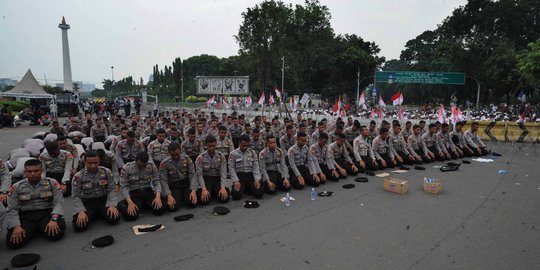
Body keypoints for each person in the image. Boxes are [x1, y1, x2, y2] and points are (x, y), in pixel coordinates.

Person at [5, 159, 65, 249]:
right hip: (26, 215)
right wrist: (16, 226)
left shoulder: (52, 183)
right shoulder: (16, 187)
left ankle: (37, 228)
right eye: (29, 171)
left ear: (41, 171)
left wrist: (54, 219)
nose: (33, 174)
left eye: (36, 171)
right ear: (25, 172)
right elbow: (12, 209)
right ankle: (35, 229)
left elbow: (58, 202)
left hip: (46, 213)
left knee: (55, 235)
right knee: (13, 243)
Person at [71, 151, 120, 232]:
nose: (93, 165)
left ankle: (97, 213)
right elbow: (76, 196)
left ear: (99, 161)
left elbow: (111, 190)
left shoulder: (106, 172)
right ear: (85, 162)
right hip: (87, 202)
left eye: (95, 162)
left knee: (114, 219)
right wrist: (80, 211)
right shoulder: (78, 176)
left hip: (103, 200)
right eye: (89, 163)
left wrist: (112, 205)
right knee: (79, 226)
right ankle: (95, 213)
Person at [118, 152, 164, 221]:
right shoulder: (127, 168)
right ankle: (123, 203)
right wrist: (130, 202)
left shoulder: (151, 166)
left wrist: (158, 197)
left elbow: (157, 181)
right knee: (130, 216)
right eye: (140, 166)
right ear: (135, 161)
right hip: (134, 193)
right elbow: (123, 186)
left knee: (160, 210)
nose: (142, 168)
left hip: (148, 191)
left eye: (144, 166)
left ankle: (144, 205)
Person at [160, 142, 199, 211]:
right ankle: (180, 197)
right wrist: (168, 195)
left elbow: (192, 174)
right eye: (173, 155)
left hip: (186, 184)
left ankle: (184, 196)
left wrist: (193, 190)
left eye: (177, 154)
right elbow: (163, 180)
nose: (175, 157)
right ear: (169, 153)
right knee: (173, 207)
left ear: (180, 150)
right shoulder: (164, 163)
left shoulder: (187, 159)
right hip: (174, 185)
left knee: (193, 203)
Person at [195, 136, 230, 204]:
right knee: (204, 200)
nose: (212, 148)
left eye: (213, 146)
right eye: (209, 146)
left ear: (216, 144)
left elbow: (223, 173)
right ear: (205, 146)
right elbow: (199, 175)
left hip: (217, 178)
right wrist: (203, 189)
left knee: (224, 198)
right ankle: (211, 191)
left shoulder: (221, 156)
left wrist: (223, 187)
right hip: (206, 179)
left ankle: (214, 191)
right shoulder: (200, 158)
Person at [229, 134, 263, 200]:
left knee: (259, 193)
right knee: (236, 195)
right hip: (240, 176)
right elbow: (231, 168)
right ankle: (246, 188)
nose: (245, 147)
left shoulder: (252, 152)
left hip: (250, 175)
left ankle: (247, 188)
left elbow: (255, 166)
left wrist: (257, 179)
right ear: (239, 143)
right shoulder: (233, 154)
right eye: (243, 145)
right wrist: (235, 181)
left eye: (247, 146)